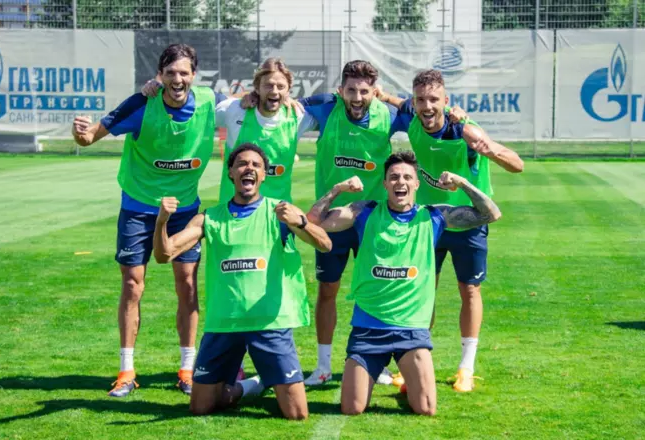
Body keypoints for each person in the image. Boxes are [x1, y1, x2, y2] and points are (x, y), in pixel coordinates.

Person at [296, 60, 467, 386]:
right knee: (328, 289)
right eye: (351, 90)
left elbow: (422, 118)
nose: (357, 97)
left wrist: (456, 116)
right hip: (333, 219)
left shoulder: (389, 116)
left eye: (365, 91)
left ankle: (380, 362)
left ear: (374, 92)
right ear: (341, 90)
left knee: (379, 287)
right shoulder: (326, 108)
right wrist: (249, 97)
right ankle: (322, 366)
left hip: (371, 219)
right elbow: (287, 106)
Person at [71, 43, 227, 397]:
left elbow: (244, 106)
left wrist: (257, 99)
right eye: (170, 73)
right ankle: (126, 370)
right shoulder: (141, 104)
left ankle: (187, 369)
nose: (177, 79)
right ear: (160, 75)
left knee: (187, 285)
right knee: (132, 286)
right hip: (139, 208)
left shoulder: (209, 101)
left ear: (194, 76)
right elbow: (90, 137)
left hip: (184, 210)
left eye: (184, 73)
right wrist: (78, 131)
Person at [306, 151, 502, 415]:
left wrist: (463, 183)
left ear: (417, 184)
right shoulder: (364, 212)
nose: (401, 182)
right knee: (352, 408)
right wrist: (338, 189)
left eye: (407, 177)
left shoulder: (433, 216)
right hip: (368, 329)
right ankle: (392, 374)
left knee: (426, 408)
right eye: (394, 177)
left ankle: (411, 381)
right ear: (385, 184)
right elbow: (314, 220)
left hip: (411, 332)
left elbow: (491, 213)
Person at [153, 143, 332, 419]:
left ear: (264, 175)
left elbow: (325, 244)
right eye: (242, 164)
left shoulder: (279, 212)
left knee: (297, 414)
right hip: (224, 324)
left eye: (256, 165)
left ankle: (264, 379)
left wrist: (301, 223)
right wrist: (162, 221)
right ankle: (252, 385)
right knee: (201, 407)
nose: (249, 168)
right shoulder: (209, 217)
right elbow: (164, 254)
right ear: (231, 173)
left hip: (270, 324)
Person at [388, 69, 523, 392]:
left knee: (470, 290)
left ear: (446, 101)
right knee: (421, 291)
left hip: (469, 221)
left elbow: (517, 164)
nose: (427, 106)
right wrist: (382, 95)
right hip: (428, 221)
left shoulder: (465, 129)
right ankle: (413, 362)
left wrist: (487, 149)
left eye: (434, 99)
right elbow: (397, 102)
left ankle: (466, 367)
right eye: (421, 100)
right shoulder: (410, 115)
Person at [142, 57, 306, 203]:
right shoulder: (235, 109)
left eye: (280, 86)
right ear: (257, 87)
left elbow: (321, 106)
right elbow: (192, 102)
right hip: (233, 214)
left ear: (289, 89)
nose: (275, 91)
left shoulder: (299, 116)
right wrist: (160, 87)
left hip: (278, 215)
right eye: (268, 85)